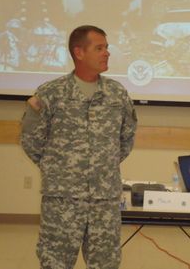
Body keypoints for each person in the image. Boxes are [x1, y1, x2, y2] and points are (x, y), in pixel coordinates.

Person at [21, 25, 137, 269]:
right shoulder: (51, 93)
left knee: (106, 264)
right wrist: (59, 170)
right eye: (99, 48)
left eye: (107, 48)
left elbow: (126, 139)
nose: (107, 53)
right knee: (55, 262)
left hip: (104, 200)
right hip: (62, 199)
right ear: (79, 52)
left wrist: (101, 167)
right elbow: (31, 139)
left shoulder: (117, 94)